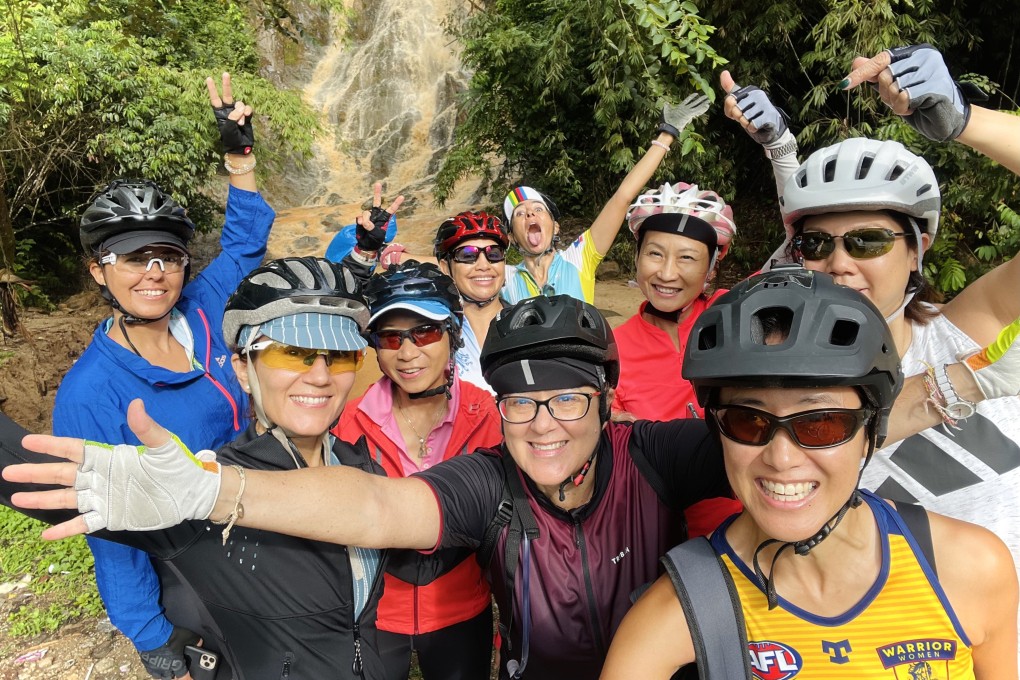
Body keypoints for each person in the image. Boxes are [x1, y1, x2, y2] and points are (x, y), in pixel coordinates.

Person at [7, 298, 1017, 678]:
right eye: (521, 400)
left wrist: (968, 380)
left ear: (608, 405)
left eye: (568, 400)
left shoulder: (658, 454)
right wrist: (205, 490)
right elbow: (377, 508)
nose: (541, 422)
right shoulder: (489, 477)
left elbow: (800, 430)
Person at [600, 266, 1018, 678]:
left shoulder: (970, 568)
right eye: (748, 421)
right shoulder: (672, 614)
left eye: (821, 424)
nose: (781, 458)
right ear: (718, 432)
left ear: (870, 431)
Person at [9, 257, 411, 678]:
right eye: (292, 353)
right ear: (241, 368)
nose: (320, 375)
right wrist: (157, 643)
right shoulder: (200, 489)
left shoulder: (364, 467)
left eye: (341, 355)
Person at [725, 44, 1020, 616]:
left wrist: (964, 120)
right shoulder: (775, 373)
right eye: (814, 244)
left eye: (868, 241)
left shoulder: (966, 330)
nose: (839, 263)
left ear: (918, 249)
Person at [52, 73, 275, 677]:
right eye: (131, 257)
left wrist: (239, 158)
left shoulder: (202, 310)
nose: (154, 272)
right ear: (99, 272)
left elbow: (245, 248)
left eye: (168, 255)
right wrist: (149, 633)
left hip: (262, 518)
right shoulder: (91, 392)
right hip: (187, 565)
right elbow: (110, 527)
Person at [337, 261, 501, 680]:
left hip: (461, 611)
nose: (407, 353)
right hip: (375, 617)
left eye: (425, 332)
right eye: (391, 337)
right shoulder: (347, 424)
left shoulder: (490, 417)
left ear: (453, 335)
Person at [611, 182, 743, 537]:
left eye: (687, 257)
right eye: (655, 254)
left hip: (755, 524)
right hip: (665, 536)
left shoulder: (738, 312)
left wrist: (778, 147)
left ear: (712, 269)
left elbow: (802, 251)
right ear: (636, 258)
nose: (667, 273)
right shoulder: (613, 347)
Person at [500, 93, 711, 305]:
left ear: (555, 227)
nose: (529, 213)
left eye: (538, 209)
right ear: (511, 237)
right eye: (519, 214)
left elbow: (622, 198)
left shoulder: (578, 258)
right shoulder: (503, 278)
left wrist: (668, 133)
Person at [432, 210, 510, 391]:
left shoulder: (528, 324)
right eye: (468, 255)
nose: (484, 265)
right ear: (445, 267)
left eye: (494, 254)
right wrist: (365, 256)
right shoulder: (434, 332)